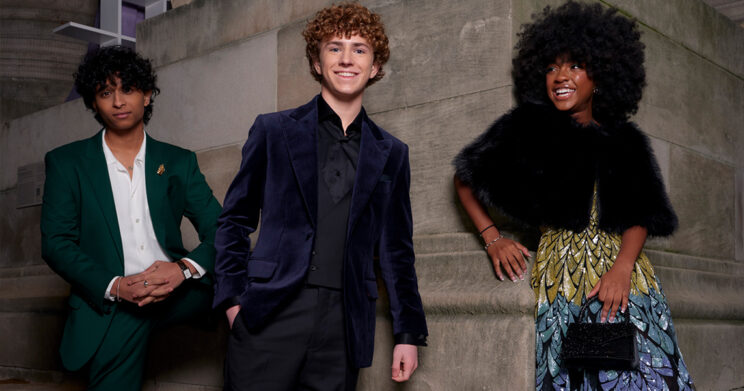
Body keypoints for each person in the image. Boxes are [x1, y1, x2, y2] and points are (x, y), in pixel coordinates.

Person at [453, 2, 695, 390]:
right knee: (576, 379)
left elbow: (641, 213)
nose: (560, 76)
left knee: (650, 378)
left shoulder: (625, 140)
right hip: (561, 279)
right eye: (551, 67)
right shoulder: (526, 128)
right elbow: (465, 180)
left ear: (599, 75)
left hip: (627, 278)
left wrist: (622, 268)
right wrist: (493, 238)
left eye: (574, 66)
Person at [214, 3, 428, 390]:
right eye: (335, 47)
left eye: (360, 49)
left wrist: (407, 334)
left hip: (344, 324)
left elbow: (397, 250)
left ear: (375, 66)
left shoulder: (392, 153)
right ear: (316, 61)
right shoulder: (273, 130)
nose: (347, 59)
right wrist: (232, 300)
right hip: (269, 314)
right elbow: (234, 220)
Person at [40, 45, 221, 390]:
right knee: (131, 315)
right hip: (115, 293)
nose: (118, 101)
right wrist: (116, 286)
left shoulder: (178, 162)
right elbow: (56, 244)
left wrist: (181, 269)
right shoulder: (67, 163)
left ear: (148, 95)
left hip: (180, 288)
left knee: (263, 273)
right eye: (106, 92)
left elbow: (222, 230)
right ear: (94, 102)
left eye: (129, 89)